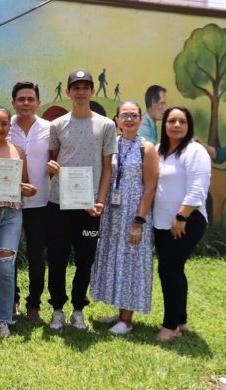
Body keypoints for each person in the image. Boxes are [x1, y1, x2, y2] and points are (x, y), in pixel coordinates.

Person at [46, 70, 117, 331]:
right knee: (57, 259)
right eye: (76, 87)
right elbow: (53, 161)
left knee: (85, 260)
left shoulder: (106, 125)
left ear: (92, 91)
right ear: (68, 92)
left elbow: (107, 169)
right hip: (59, 205)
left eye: (86, 87)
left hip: (89, 208)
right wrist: (51, 167)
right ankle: (57, 309)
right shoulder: (57, 125)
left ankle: (78, 310)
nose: (81, 92)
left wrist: (101, 201)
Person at [90, 101, 159, 335]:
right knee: (116, 259)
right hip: (113, 214)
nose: (129, 119)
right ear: (116, 120)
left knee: (131, 261)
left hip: (133, 214)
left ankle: (127, 321)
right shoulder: (113, 144)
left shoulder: (147, 148)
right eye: (124, 115)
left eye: (134, 115)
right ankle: (120, 312)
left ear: (140, 119)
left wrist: (139, 221)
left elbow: (150, 187)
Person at [0, 106, 36, 337]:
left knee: (5, 264)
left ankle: (2, 317)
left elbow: (26, 183)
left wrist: (29, 190)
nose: (0, 128)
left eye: (4, 124)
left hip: (11, 215)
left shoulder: (17, 151)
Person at [152, 106, 211, 341]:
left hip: (187, 220)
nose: (176, 125)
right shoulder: (159, 150)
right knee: (174, 269)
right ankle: (182, 321)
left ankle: (170, 327)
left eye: (182, 121)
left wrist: (181, 217)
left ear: (189, 126)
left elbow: (198, 188)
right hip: (162, 222)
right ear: (164, 124)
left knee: (168, 269)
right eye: (171, 121)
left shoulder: (195, 151)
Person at [9, 81, 50, 323]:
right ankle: (12, 300)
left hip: (40, 204)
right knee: (9, 255)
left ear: (38, 102)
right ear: (13, 103)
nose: (26, 103)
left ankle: (34, 305)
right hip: (10, 203)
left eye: (30, 99)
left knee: (36, 257)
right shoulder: (5, 126)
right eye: (21, 99)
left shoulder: (50, 129)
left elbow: (58, 157)